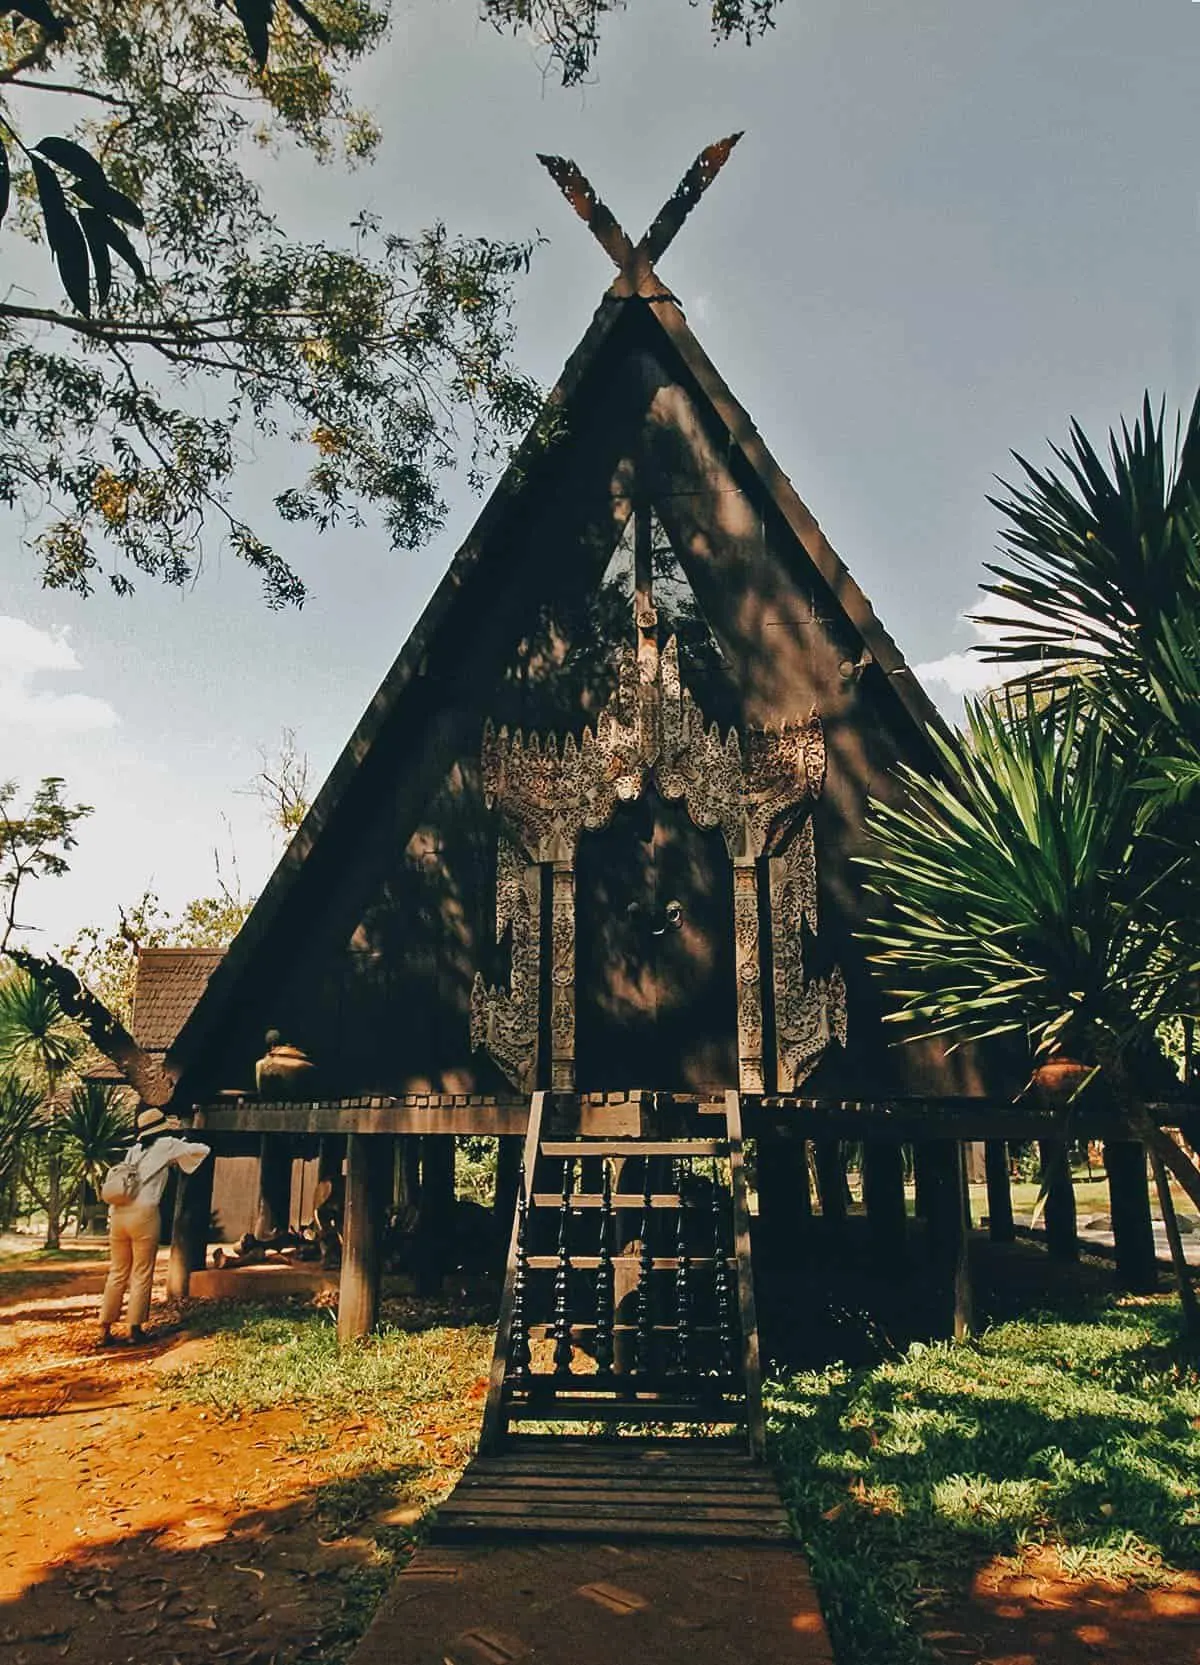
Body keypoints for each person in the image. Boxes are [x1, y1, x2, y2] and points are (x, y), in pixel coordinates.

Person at [97, 1104, 211, 1348]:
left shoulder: (133, 1151)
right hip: (144, 1215)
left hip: (118, 1214)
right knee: (141, 1271)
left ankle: (104, 1329)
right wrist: (178, 1150)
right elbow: (202, 1150)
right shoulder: (167, 1145)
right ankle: (134, 1330)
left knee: (117, 1271)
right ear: (161, 1129)